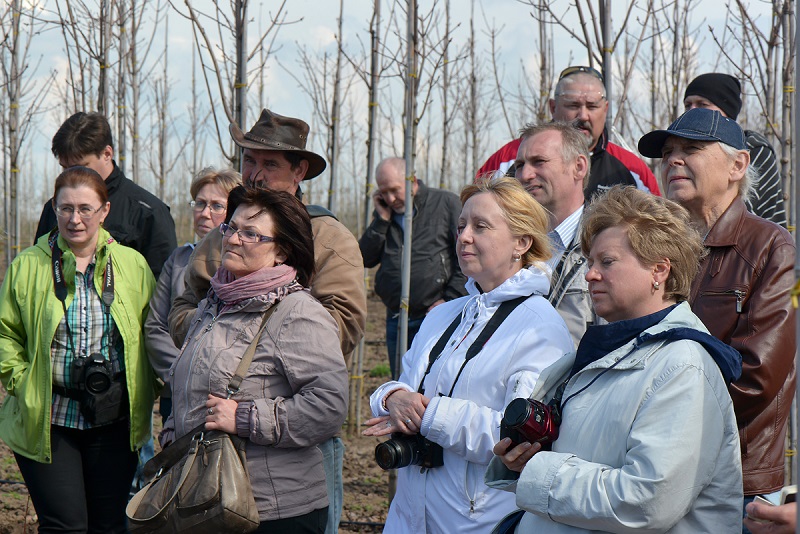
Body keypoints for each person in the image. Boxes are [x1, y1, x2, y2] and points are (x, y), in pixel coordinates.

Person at [488, 186, 743, 532]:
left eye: (606, 262)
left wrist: (539, 472)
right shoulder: (598, 353)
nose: (590, 274)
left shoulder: (683, 366)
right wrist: (522, 458)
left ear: (659, 270)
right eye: (590, 262)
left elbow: (647, 500)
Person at [168, 108, 365, 534]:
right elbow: (184, 308)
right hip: (210, 441)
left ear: (299, 171)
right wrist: (214, 340)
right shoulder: (223, 234)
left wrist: (265, 335)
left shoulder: (328, 237)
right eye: (249, 161)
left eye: (269, 164)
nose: (255, 174)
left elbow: (343, 321)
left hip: (289, 422)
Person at [363, 177, 574, 533]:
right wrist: (390, 397)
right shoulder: (446, 314)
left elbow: (518, 438)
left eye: (481, 227)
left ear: (521, 243)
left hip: (476, 521)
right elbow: (405, 386)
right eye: (461, 226)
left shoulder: (540, 328)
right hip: (408, 517)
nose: (463, 237)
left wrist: (430, 415)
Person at [638, 108, 796, 525]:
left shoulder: (773, 249)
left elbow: (756, 376)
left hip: (737, 478)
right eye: (668, 151)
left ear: (737, 165)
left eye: (691, 148)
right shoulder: (660, 250)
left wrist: (657, 413)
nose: (673, 160)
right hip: (655, 467)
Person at [0, 167, 158, 533]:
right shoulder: (28, 265)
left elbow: (153, 331)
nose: (75, 219)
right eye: (65, 208)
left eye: (85, 208)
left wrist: (153, 388)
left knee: (109, 525)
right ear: (54, 208)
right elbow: (5, 334)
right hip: (49, 416)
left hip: (115, 418)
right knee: (65, 526)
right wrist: (23, 382)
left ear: (104, 210)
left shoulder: (132, 265)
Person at [144, 167, 241, 421]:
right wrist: (184, 376)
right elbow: (156, 326)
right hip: (177, 393)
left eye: (217, 205)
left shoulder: (245, 264)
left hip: (231, 400)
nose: (205, 213)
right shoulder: (178, 260)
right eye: (200, 203)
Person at [478, 65, 660, 198]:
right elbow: (473, 220)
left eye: (592, 106)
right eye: (573, 105)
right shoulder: (508, 159)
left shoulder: (633, 169)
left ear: (605, 109)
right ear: (553, 107)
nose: (583, 115)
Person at [34, 112, 177, 279]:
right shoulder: (55, 209)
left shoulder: (148, 212)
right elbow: (38, 269)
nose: (71, 174)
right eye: (65, 168)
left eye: (81, 166)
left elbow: (163, 289)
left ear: (107, 154)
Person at [359, 157, 467, 377]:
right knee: (400, 383)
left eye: (395, 190)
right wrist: (381, 220)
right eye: (384, 192)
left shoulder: (445, 204)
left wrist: (448, 300)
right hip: (396, 317)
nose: (390, 198)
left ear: (412, 180)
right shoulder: (385, 214)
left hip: (435, 316)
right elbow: (365, 258)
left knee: (431, 382)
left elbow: (464, 258)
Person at [513, 122, 601, 346]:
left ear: (579, 167)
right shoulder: (508, 245)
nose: (525, 174)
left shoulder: (606, 243)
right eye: (519, 165)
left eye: (539, 162)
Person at [683, 72, 787, 226]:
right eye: (687, 105)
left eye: (702, 104)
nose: (692, 111)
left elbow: (740, 212)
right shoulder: (681, 152)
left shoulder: (753, 148)